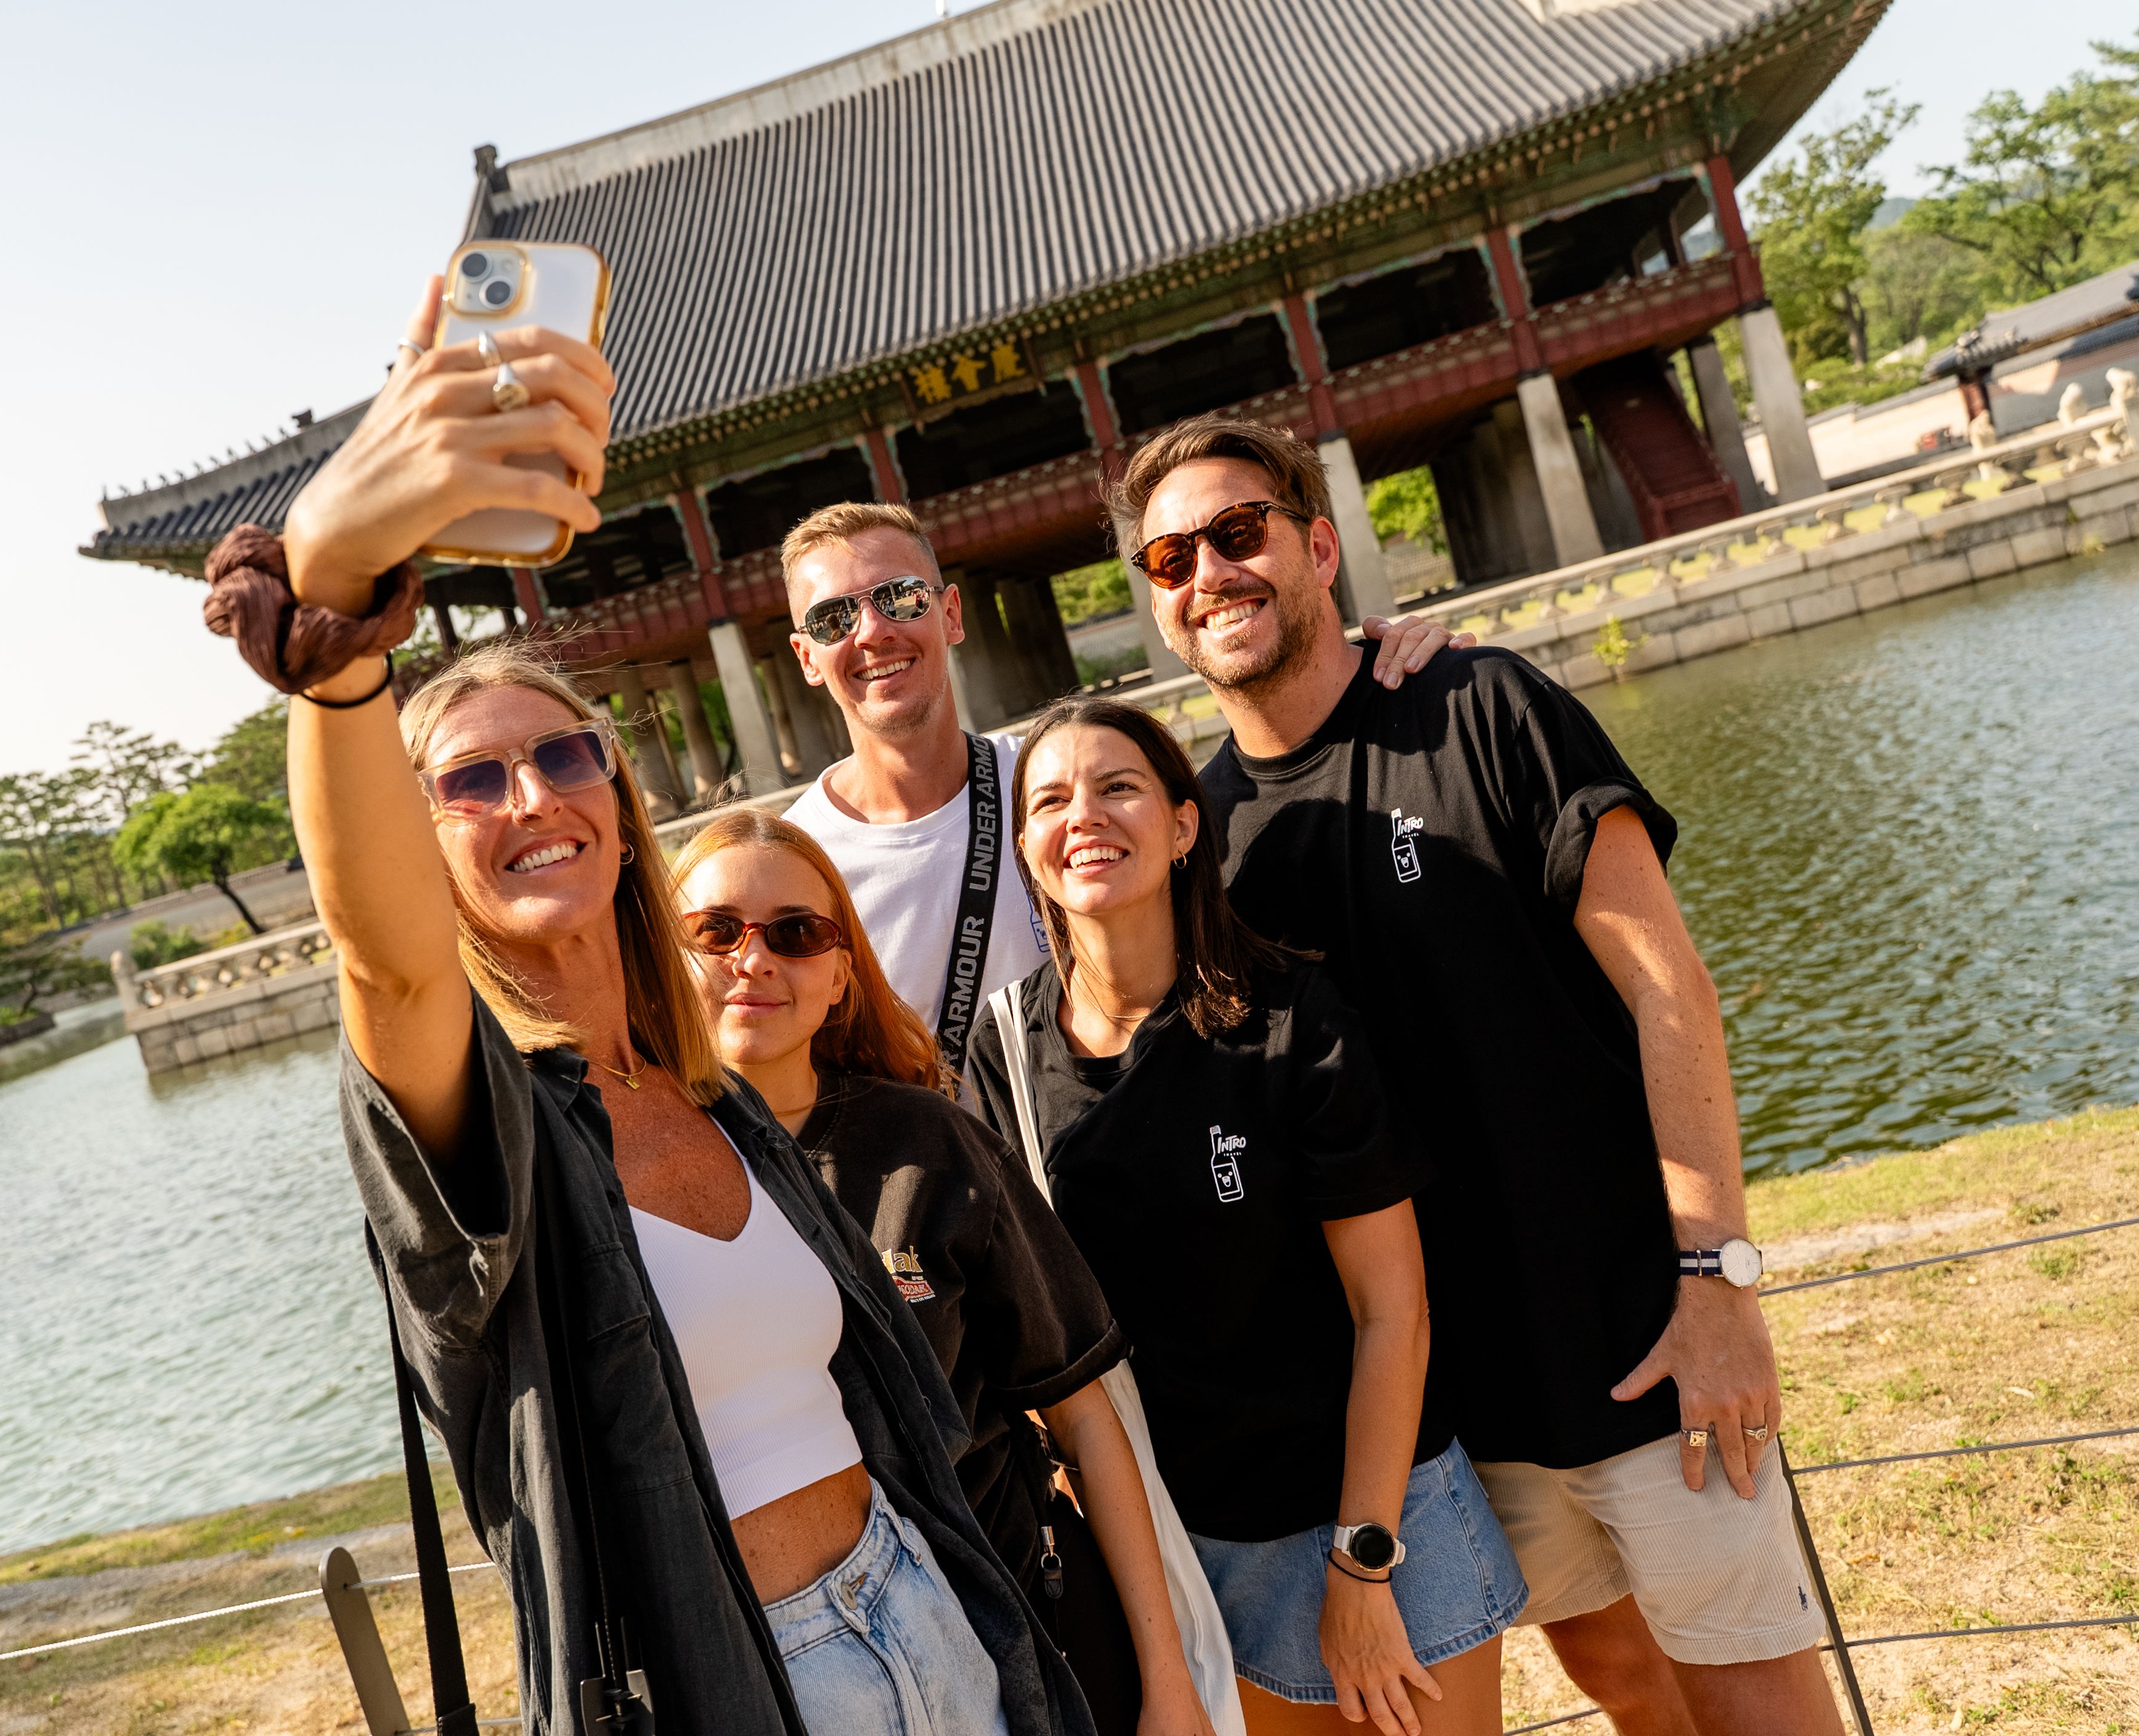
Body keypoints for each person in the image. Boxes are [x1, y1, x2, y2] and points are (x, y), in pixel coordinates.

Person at [259, 278, 1094, 1736]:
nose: (531, 798)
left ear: (616, 793)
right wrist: (336, 629)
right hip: (738, 1680)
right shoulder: (485, 1120)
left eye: (563, 757)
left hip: (917, 1599)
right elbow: (385, 958)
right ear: (419, 833)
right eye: (467, 779)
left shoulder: (706, 1085)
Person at [1115, 415, 1836, 1736]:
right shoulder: (1199, 842)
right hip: (1449, 1406)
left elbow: (1665, 987)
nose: (1207, 572)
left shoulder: (1479, 706)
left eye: (1236, 534)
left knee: (1755, 1704)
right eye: (1169, 558)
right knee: (1615, 1677)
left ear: (1316, 546)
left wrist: (1713, 1278)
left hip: (1638, 1328)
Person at [966, 696, 1524, 1736]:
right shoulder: (1001, 1055)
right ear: (1031, 851)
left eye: (1118, 786)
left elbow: (1391, 1310)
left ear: (1184, 825)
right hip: (1187, 1550)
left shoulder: (1290, 1016)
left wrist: (1361, 1561)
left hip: (1376, 1516)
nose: (1084, 814)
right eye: (1050, 800)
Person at [674, 808, 1222, 1736]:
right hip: (798, 1666)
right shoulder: (630, 1184)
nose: (754, 959)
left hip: (1027, 1624)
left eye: (798, 934)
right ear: (662, 957)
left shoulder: (929, 1142)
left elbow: (1083, 1415)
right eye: (715, 931)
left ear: (842, 974)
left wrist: (1170, 1682)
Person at [775, 503, 1469, 1075]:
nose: (872, 633)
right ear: (806, 656)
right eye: (834, 619)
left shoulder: (1065, 786)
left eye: (899, 597)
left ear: (951, 614)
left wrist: (1397, 678)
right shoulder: (792, 871)